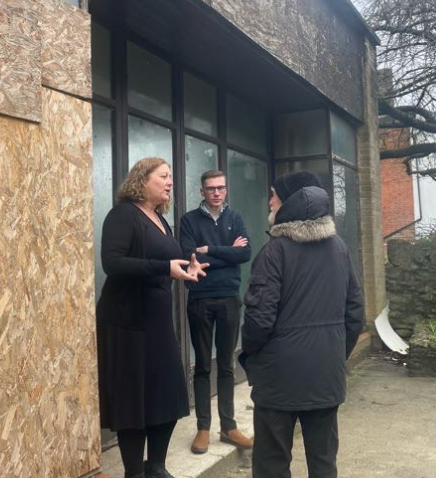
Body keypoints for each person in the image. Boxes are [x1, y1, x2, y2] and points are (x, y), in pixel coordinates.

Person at [239, 171, 365, 478]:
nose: (269, 201)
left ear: (289, 202)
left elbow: (258, 319)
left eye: (273, 195)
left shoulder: (274, 252)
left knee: (271, 463)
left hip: (278, 378)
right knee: (324, 463)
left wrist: (251, 358)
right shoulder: (340, 249)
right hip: (325, 374)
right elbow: (355, 313)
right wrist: (334, 353)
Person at [97, 157, 209, 478]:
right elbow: (113, 263)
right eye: (164, 176)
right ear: (142, 180)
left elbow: (166, 259)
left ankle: (156, 466)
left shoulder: (160, 217)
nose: (170, 182)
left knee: (167, 394)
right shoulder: (123, 215)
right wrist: (163, 268)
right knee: (134, 402)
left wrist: (185, 268)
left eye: (171, 176)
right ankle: (135, 472)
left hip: (158, 322)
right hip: (126, 324)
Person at [179, 170, 254, 454]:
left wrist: (209, 248)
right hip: (199, 298)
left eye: (221, 188)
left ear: (226, 190)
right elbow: (189, 256)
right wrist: (226, 252)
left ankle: (228, 427)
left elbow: (245, 254)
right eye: (211, 189)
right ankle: (203, 428)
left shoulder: (235, 218)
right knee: (203, 366)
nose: (216, 193)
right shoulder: (189, 220)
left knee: (225, 365)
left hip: (229, 300)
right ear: (202, 191)